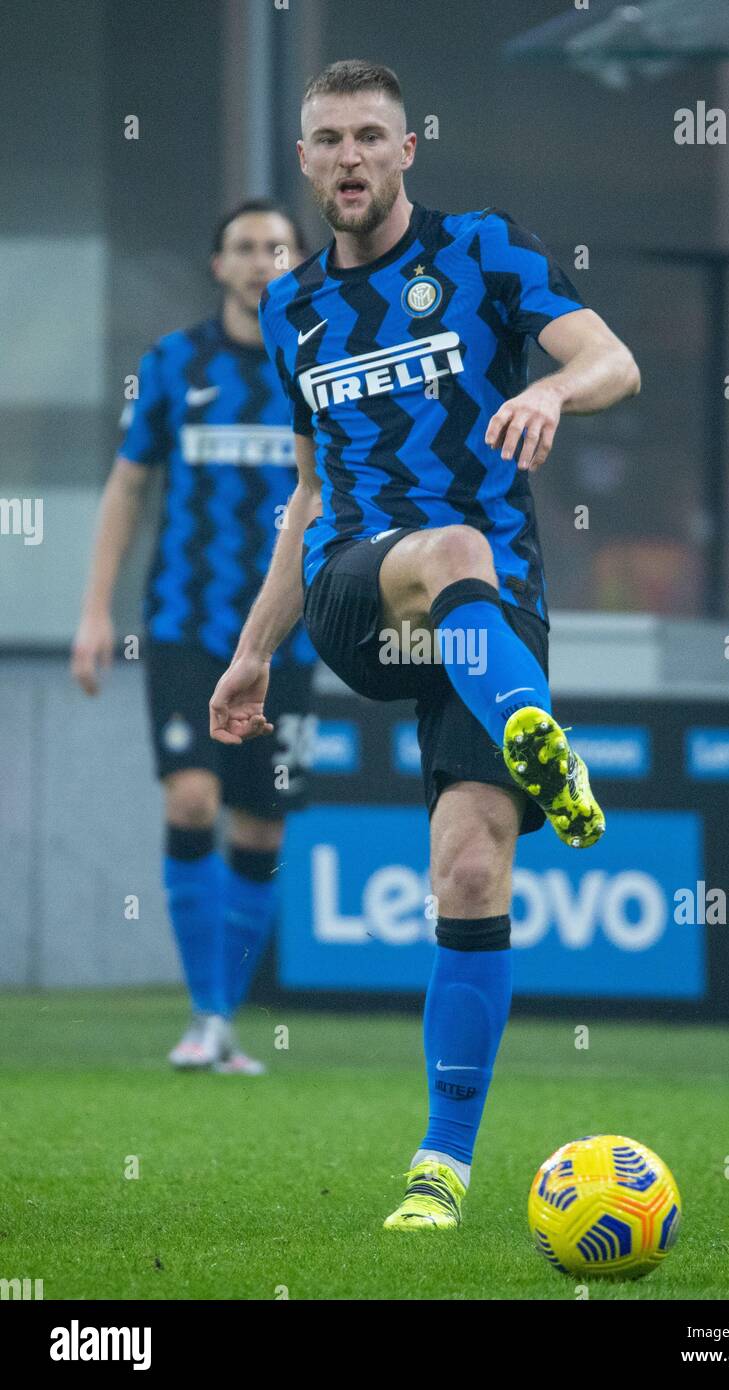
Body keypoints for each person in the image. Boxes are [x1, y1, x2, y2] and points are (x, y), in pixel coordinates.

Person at [209, 61, 640, 1219]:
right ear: (305, 162)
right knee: (451, 545)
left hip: (487, 617)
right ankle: (534, 729)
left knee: (466, 867)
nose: (349, 157)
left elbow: (612, 358)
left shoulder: (483, 249)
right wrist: (253, 647)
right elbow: (306, 496)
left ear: (407, 150)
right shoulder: (293, 310)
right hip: (361, 587)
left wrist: (553, 393)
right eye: (328, 140)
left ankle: (439, 1167)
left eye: (369, 136)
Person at [72, 200, 317, 1075]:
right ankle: (206, 1016)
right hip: (185, 625)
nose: (260, 262)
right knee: (190, 801)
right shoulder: (175, 362)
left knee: (261, 831)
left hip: (288, 631)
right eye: (244, 248)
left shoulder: (321, 361)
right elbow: (127, 485)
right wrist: (97, 610)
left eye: (276, 248)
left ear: (296, 261)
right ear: (218, 265)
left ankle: (224, 1021)